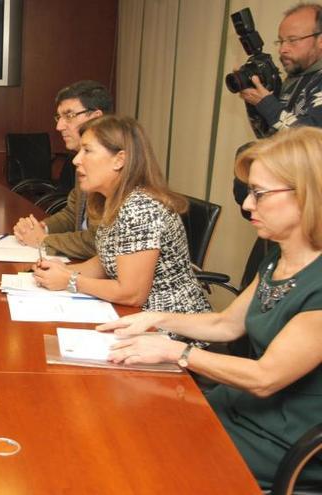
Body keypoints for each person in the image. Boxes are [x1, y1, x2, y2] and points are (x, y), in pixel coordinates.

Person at [100, 127, 322, 490]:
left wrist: (177, 351)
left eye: (259, 193)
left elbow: (266, 377)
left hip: (283, 437)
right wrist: (155, 318)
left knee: (142, 454)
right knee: (133, 421)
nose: (247, 205)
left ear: (309, 196)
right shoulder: (279, 259)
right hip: (243, 407)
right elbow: (225, 325)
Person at [33, 115, 211, 318]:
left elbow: (133, 294)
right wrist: (62, 270)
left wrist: (71, 280)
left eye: (87, 151)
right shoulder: (113, 199)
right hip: (132, 316)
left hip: (166, 325)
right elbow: (106, 260)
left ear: (119, 160)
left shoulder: (141, 208)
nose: (76, 159)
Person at [12, 80, 113, 259]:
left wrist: (43, 240)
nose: (59, 127)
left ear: (96, 117)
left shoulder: (114, 168)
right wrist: (41, 228)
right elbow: (73, 214)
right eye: (59, 117)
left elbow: (99, 241)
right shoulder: (82, 161)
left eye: (69, 115)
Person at [239, 3, 322, 138]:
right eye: (280, 41)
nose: (282, 49)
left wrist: (267, 104)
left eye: (292, 40)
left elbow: (312, 139)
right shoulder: (294, 80)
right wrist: (254, 99)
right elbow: (268, 137)